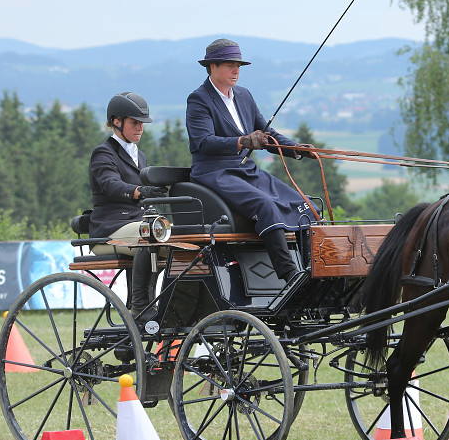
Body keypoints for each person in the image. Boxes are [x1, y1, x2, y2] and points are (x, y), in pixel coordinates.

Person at [186, 38, 317, 284]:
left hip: (245, 171)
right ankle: (290, 277)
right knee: (265, 204)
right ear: (212, 66)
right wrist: (243, 141)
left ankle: (313, 272)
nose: (236, 70)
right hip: (214, 174)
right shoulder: (199, 99)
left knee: (306, 206)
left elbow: (267, 134)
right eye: (229, 65)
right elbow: (203, 142)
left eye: (238, 65)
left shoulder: (244, 96)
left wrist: (296, 148)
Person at [88, 91, 167, 323]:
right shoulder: (103, 152)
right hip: (110, 227)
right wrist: (140, 191)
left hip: (137, 222)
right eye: (134, 122)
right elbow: (110, 185)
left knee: (173, 238)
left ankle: (160, 301)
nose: (140, 128)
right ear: (116, 122)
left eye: (142, 123)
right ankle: (140, 307)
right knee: (149, 235)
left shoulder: (139, 156)